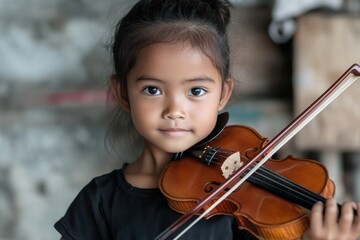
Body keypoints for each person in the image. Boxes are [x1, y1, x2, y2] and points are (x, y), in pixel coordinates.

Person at [54, 0, 360, 239]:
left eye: (196, 90)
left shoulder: (241, 204)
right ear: (121, 93)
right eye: (152, 89)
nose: (175, 109)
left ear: (223, 93)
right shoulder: (99, 202)